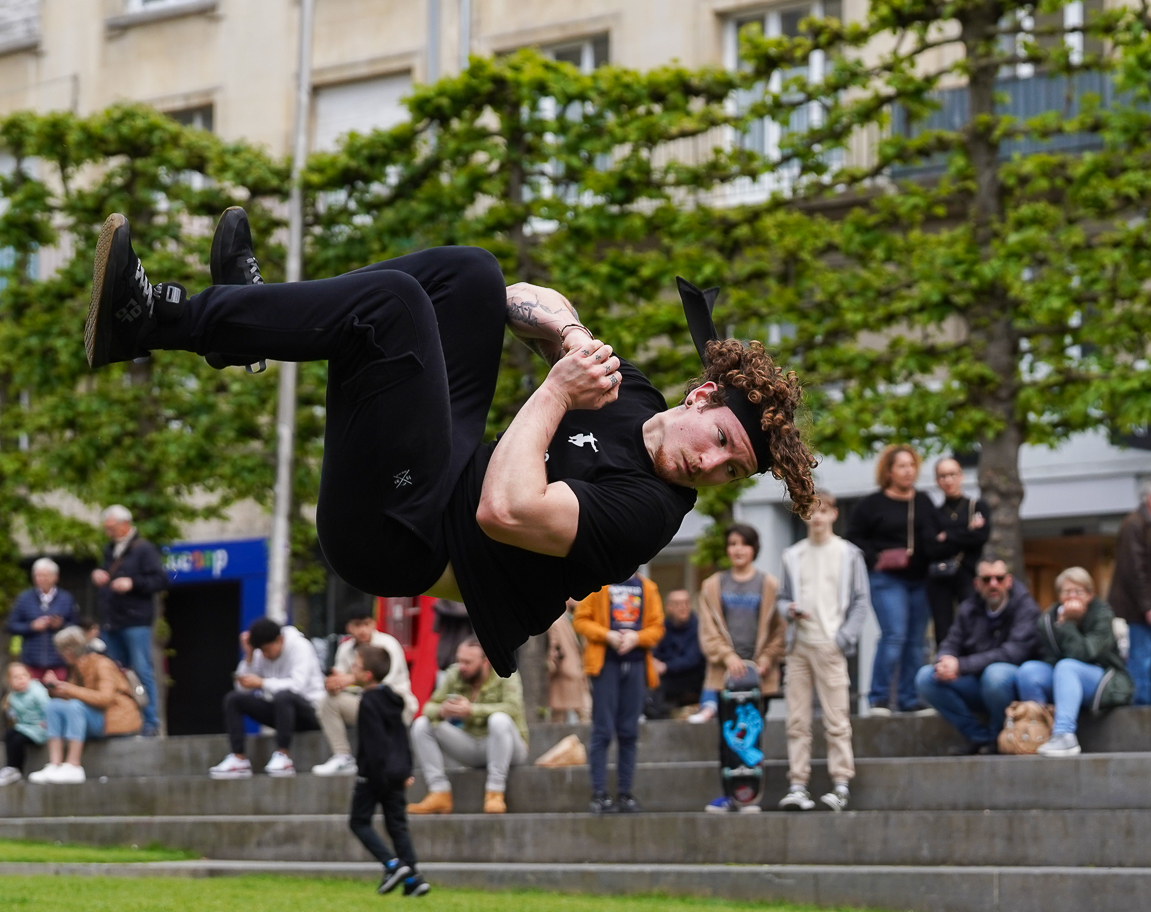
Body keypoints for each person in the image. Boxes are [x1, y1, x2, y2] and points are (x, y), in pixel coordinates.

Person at [85, 211, 816, 682]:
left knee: (392, 310)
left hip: (403, 539)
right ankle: (249, 314)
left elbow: (502, 509)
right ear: (702, 398)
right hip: (439, 469)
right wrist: (570, 339)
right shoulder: (637, 394)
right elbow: (517, 298)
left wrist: (558, 390)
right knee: (468, 274)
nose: (711, 467)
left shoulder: (649, 512)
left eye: (730, 472)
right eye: (721, 443)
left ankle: (150, 319)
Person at [777, 490, 871, 811]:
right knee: (797, 721)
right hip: (798, 645)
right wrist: (789, 610)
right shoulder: (792, 555)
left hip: (830, 645)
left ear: (833, 514)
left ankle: (841, 784)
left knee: (837, 718)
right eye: (810, 511)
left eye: (822, 510)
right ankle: (797, 785)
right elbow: (782, 597)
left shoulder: (849, 554)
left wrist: (843, 638)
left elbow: (861, 599)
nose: (816, 517)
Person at [847, 444, 940, 714]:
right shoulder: (872, 503)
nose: (908, 471)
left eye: (912, 465)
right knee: (895, 635)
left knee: (917, 640)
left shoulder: (923, 501)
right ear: (888, 471)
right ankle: (879, 698)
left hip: (919, 579)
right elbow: (854, 537)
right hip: (886, 578)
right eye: (902, 466)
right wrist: (876, 556)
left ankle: (909, 698)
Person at [915, 559, 1039, 754]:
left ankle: (999, 736)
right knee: (926, 677)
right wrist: (945, 660)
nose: (993, 584)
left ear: (1008, 581)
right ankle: (980, 737)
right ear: (977, 583)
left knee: (995, 675)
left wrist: (961, 666)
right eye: (987, 579)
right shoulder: (969, 608)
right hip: (976, 682)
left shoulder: (1026, 608)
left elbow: (1012, 653)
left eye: (998, 578)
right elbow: (951, 641)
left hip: (1010, 685)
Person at [573, 573, 663, 814]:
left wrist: (637, 637)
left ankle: (625, 793)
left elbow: (657, 627)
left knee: (629, 731)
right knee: (602, 730)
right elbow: (580, 620)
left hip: (636, 665)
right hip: (605, 666)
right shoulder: (597, 584)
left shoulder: (648, 587)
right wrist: (607, 635)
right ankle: (599, 794)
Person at [408, 638, 528, 815]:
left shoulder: (506, 673)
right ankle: (439, 791)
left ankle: (495, 792)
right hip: (471, 745)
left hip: (511, 748)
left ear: (485, 661)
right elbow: (428, 707)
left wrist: (472, 710)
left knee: (499, 720)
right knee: (421, 725)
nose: (461, 666)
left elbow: (513, 708)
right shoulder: (454, 674)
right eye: (459, 660)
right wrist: (442, 711)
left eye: (468, 662)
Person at [1017, 568, 1129, 757]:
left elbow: (1083, 654)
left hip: (1103, 679)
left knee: (1066, 666)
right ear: (1059, 595)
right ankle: (1041, 732)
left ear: (1090, 595)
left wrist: (1068, 624)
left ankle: (1064, 735)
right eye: (1066, 592)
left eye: (1078, 592)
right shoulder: (1048, 619)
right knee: (1028, 671)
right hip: (1065, 677)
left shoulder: (1102, 615)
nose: (1072, 597)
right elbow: (1051, 658)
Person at [346, 643, 429, 897]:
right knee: (397, 825)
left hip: (374, 775)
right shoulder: (393, 699)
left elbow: (375, 745)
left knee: (358, 822)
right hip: (396, 773)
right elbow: (400, 737)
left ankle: (393, 864)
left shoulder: (368, 702)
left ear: (367, 675)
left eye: (356, 666)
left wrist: (366, 775)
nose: (352, 668)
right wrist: (405, 770)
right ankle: (414, 878)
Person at [689, 524, 785, 725]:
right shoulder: (712, 585)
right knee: (728, 736)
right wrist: (728, 657)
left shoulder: (770, 585)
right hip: (723, 674)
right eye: (733, 544)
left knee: (754, 736)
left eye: (745, 544)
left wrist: (767, 657)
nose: (738, 549)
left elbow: (781, 630)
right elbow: (708, 630)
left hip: (760, 674)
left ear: (754, 548)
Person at [209, 617, 325, 779]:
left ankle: (283, 755)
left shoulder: (300, 646)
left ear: (280, 640)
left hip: (311, 712)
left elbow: (297, 687)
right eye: (261, 651)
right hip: (281, 713)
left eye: (267, 650)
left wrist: (262, 683)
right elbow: (242, 688)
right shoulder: (259, 653)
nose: (265, 655)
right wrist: (248, 656)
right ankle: (239, 758)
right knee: (233, 699)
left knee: (284, 696)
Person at [28, 626, 141, 784]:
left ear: (69, 651)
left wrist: (69, 688)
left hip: (115, 721)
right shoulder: (77, 668)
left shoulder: (103, 664)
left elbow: (105, 699)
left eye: (60, 651)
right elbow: (72, 696)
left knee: (75, 706)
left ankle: (74, 766)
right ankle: (54, 764)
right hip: (94, 718)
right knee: (53, 706)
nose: (60, 656)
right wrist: (55, 688)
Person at [312, 610, 418, 777]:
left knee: (371, 700)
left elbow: (383, 685)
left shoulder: (388, 643)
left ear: (374, 624)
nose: (363, 630)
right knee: (327, 700)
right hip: (366, 705)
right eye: (357, 625)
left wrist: (350, 680)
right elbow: (341, 678)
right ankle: (342, 757)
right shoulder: (345, 648)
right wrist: (334, 684)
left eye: (367, 624)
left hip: (395, 708)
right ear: (349, 627)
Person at [92, 505, 167, 735]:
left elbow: (161, 580)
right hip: (112, 620)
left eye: (111, 528)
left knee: (142, 670)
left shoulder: (144, 549)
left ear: (125, 524)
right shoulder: (110, 550)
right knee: (115, 672)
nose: (108, 532)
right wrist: (99, 575)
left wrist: (132, 583)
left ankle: (150, 722)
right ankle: (124, 720)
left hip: (136, 621)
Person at [1108, 478, 1151, 706]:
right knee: (1142, 660)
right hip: (1141, 610)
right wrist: (1149, 605)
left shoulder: (1148, 524)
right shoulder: (1135, 524)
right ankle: (1142, 711)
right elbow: (1135, 569)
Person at [926, 458, 992, 644]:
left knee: (974, 625)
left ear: (961, 476)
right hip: (940, 577)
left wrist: (947, 535)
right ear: (937, 481)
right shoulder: (934, 514)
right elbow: (931, 548)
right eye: (943, 476)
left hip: (969, 574)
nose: (948, 480)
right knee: (943, 630)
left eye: (952, 474)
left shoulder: (977, 507)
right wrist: (967, 531)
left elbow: (981, 537)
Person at [6, 558, 77, 681]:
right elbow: (11, 625)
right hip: (31, 661)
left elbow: (75, 627)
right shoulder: (24, 598)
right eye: (37, 576)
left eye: (45, 575)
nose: (41, 579)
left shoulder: (66, 598)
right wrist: (31, 626)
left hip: (58, 660)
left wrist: (60, 625)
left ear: (55, 576)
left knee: (59, 697)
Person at [653, 590, 707, 715]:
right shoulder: (662, 627)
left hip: (694, 678)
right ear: (668, 608)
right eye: (677, 604)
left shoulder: (699, 626)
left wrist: (665, 666)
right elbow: (655, 651)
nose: (683, 608)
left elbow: (693, 659)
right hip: (668, 678)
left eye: (686, 603)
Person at [1, 662, 49, 785]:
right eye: (16, 677)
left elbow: (48, 708)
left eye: (24, 675)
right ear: (10, 681)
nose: (21, 679)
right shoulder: (12, 697)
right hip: (24, 727)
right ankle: (11, 768)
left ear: (30, 676)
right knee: (9, 734)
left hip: (39, 728)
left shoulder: (37, 690)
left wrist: (47, 722)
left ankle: (16, 769)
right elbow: (14, 716)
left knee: (18, 740)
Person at [546, 601, 591, 723]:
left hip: (580, 675)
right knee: (559, 716)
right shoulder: (557, 622)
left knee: (585, 713)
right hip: (565, 675)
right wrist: (555, 665)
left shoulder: (576, 620)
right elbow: (554, 649)